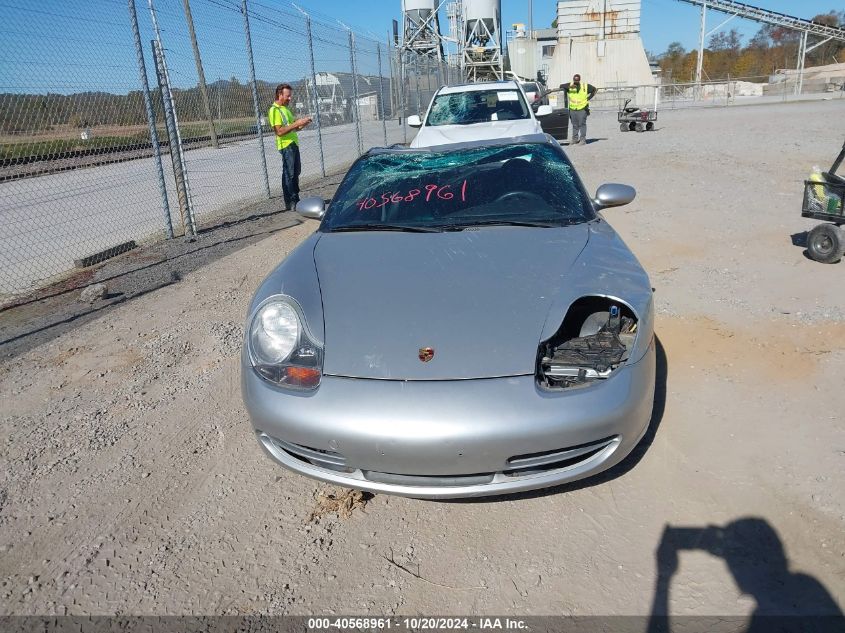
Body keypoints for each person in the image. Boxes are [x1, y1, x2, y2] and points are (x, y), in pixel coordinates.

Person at [268, 83, 312, 211]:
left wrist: (303, 123)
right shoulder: (274, 110)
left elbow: (294, 128)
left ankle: (296, 197)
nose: (290, 98)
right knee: (289, 174)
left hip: (293, 144)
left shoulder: (286, 109)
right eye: (287, 96)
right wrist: (296, 124)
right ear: (279, 95)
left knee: (296, 171)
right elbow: (280, 131)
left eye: (290, 96)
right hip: (285, 146)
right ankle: (291, 201)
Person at [559, 74, 597, 145]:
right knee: (574, 125)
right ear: (573, 80)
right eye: (575, 80)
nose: (576, 82)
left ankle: (583, 140)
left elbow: (594, 90)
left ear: (579, 80)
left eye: (577, 80)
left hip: (582, 108)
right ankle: (575, 139)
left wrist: (588, 98)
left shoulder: (585, 86)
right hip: (573, 109)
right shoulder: (570, 85)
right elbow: (561, 86)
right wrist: (569, 86)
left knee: (582, 124)